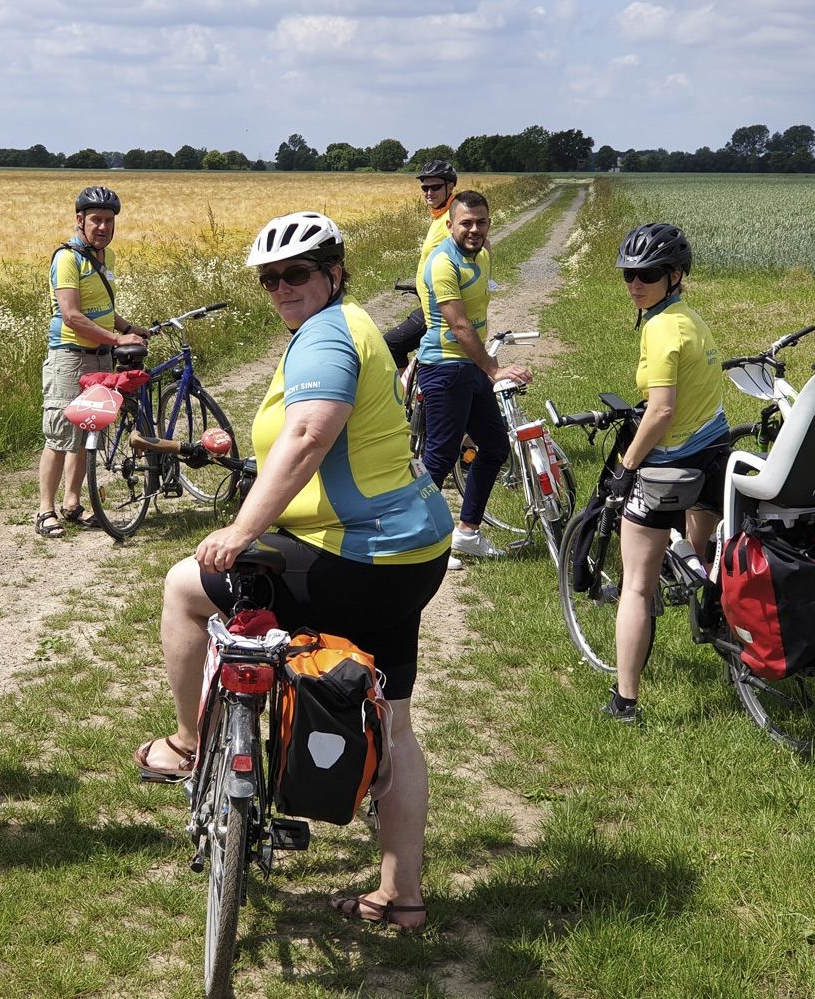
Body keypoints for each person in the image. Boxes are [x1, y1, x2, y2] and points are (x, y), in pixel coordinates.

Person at [135, 211, 453, 930]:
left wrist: (243, 527)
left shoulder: (327, 336)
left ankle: (188, 745)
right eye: (270, 279)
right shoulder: (357, 323)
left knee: (187, 588)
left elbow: (310, 434)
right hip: (411, 556)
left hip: (357, 558)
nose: (282, 288)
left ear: (333, 274)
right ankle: (400, 896)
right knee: (395, 721)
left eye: (298, 273)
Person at [603, 223, 730, 722]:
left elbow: (660, 412)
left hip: (671, 463)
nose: (636, 284)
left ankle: (625, 700)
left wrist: (626, 465)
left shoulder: (659, 328)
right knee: (699, 557)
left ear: (674, 275)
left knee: (635, 583)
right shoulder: (690, 318)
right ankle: (706, 603)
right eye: (629, 275)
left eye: (648, 274)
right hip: (713, 450)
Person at [414, 190, 531, 564]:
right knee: (440, 457)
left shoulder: (480, 254)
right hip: (445, 368)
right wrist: (494, 369)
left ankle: (466, 532)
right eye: (466, 222)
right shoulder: (442, 263)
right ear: (449, 225)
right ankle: (420, 540)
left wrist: (485, 367)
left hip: (470, 367)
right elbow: (460, 326)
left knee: (494, 447)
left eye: (481, 222)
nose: (474, 229)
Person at [36, 186, 147, 538]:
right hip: (70, 357)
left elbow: (102, 311)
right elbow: (71, 315)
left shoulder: (105, 257)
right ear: (79, 220)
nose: (103, 227)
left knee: (90, 431)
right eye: (96, 220)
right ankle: (44, 512)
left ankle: (72, 504)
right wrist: (118, 340)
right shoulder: (67, 258)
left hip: (99, 356)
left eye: (109, 221)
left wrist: (128, 327)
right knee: (59, 434)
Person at [383, 159, 460, 368]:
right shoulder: (440, 215)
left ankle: (401, 399)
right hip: (432, 305)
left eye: (435, 187)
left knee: (390, 344)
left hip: (437, 312)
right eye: (425, 187)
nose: (428, 192)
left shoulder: (452, 218)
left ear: (450, 186)